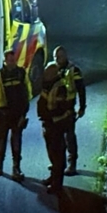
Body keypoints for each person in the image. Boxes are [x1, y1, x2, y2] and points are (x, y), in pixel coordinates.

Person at [0, 49, 31, 181]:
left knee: (16, 142)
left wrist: (24, 113)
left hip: (17, 114)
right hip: (3, 114)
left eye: (13, 59)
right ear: (5, 60)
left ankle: (16, 168)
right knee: (1, 141)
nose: (12, 62)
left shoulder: (21, 73)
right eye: (10, 60)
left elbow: (26, 93)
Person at [37, 62, 72, 194]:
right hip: (48, 123)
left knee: (58, 155)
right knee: (52, 153)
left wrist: (48, 117)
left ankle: (57, 185)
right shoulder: (48, 84)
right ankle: (53, 178)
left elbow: (60, 108)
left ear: (53, 73)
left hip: (56, 125)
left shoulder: (60, 87)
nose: (44, 74)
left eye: (47, 72)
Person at [53, 46, 86, 176]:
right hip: (55, 110)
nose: (57, 59)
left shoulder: (74, 70)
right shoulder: (53, 69)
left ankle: (72, 164)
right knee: (57, 139)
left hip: (68, 109)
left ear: (65, 56)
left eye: (59, 56)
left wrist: (82, 107)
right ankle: (59, 163)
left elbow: (81, 89)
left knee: (69, 137)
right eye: (55, 57)